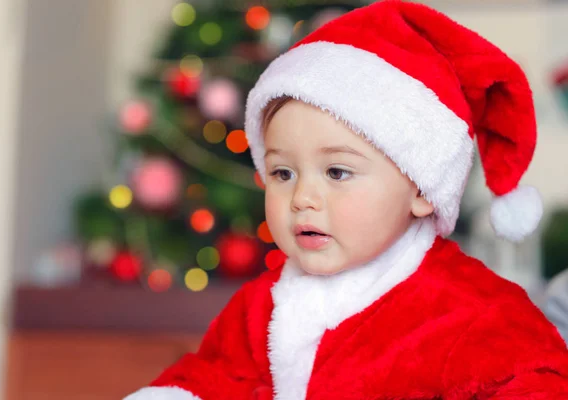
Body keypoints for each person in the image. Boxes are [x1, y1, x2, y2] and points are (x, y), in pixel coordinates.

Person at [125, 1, 568, 399]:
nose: (302, 197)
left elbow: (538, 379)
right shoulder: (261, 305)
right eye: (282, 173)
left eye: (337, 172)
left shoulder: (476, 312)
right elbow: (212, 378)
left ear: (420, 187)